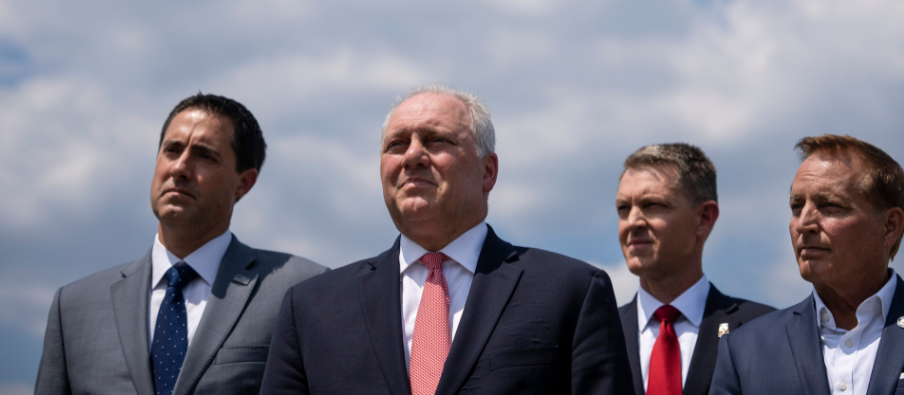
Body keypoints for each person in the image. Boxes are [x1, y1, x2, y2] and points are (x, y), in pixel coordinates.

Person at [260, 85, 634, 395]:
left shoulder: (569, 292)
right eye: (396, 145)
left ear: (487, 171)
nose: (412, 156)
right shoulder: (312, 308)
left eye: (436, 140)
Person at [35, 93, 327, 395]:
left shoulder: (302, 289)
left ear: (243, 183)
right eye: (172, 150)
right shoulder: (73, 308)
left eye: (204, 156)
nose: (180, 168)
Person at [710, 134, 904, 395]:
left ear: (890, 226)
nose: (803, 222)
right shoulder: (744, 352)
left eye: (829, 205)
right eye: (796, 206)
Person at [616, 144, 774, 395]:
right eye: (623, 209)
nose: (632, 221)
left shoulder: (767, 330)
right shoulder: (595, 334)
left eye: (652, 205)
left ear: (704, 218)